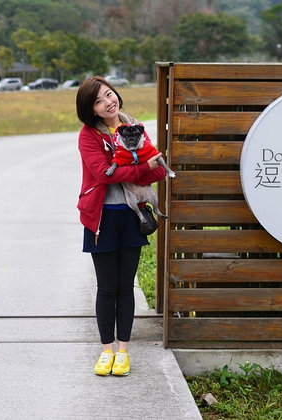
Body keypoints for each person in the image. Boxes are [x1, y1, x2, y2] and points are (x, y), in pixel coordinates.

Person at [75, 76, 167, 376]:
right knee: (106, 288)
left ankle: (124, 351)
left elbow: (156, 174)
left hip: (131, 216)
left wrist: (142, 169)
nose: (108, 102)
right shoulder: (89, 136)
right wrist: (142, 168)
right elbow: (103, 175)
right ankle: (106, 351)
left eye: (109, 94)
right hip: (101, 219)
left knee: (126, 287)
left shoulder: (135, 127)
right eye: (100, 101)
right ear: (93, 110)